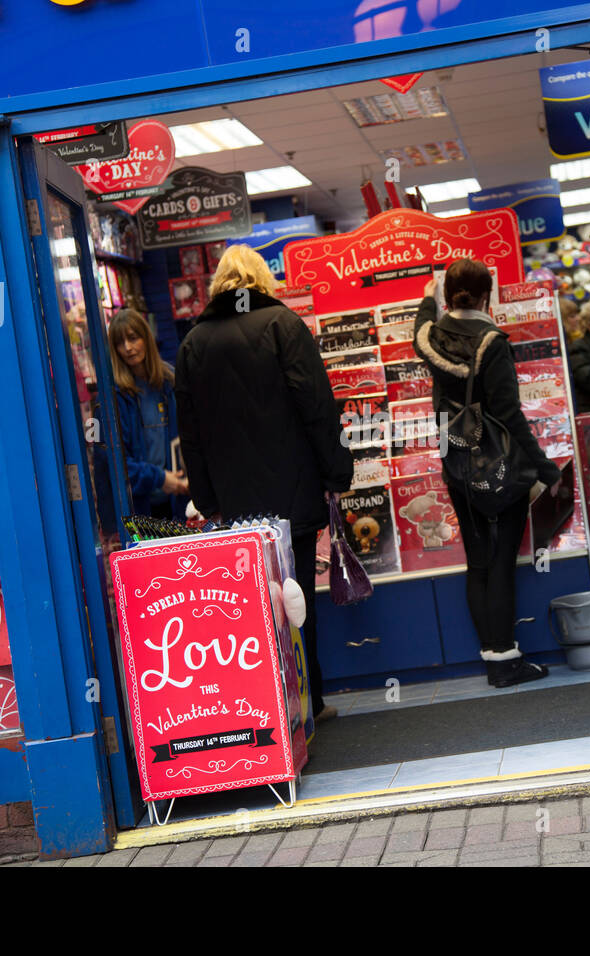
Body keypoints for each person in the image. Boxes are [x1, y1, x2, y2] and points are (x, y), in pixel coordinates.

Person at [172, 245, 353, 723]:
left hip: (235, 503)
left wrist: (207, 499)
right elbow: (317, 406)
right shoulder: (283, 326)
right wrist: (337, 472)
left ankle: (266, 706)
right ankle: (308, 702)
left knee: (249, 604)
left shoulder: (193, 343)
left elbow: (189, 433)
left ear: (217, 287)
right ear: (260, 282)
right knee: (295, 599)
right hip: (292, 490)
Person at [413, 258, 561, 688]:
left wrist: (429, 294)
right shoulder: (492, 342)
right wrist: (545, 468)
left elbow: (421, 321)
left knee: (477, 561)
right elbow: (510, 414)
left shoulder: (430, 337)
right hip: (500, 466)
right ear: (487, 297)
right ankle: (506, 661)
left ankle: (491, 657)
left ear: (447, 297)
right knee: (502, 562)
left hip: (456, 463)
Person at [108, 308, 189, 518]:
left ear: (146, 338)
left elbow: (190, 435)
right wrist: (160, 478)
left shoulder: (169, 381)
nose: (128, 348)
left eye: (133, 338)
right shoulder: (115, 395)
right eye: (120, 342)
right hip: (140, 510)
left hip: (178, 503)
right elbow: (117, 461)